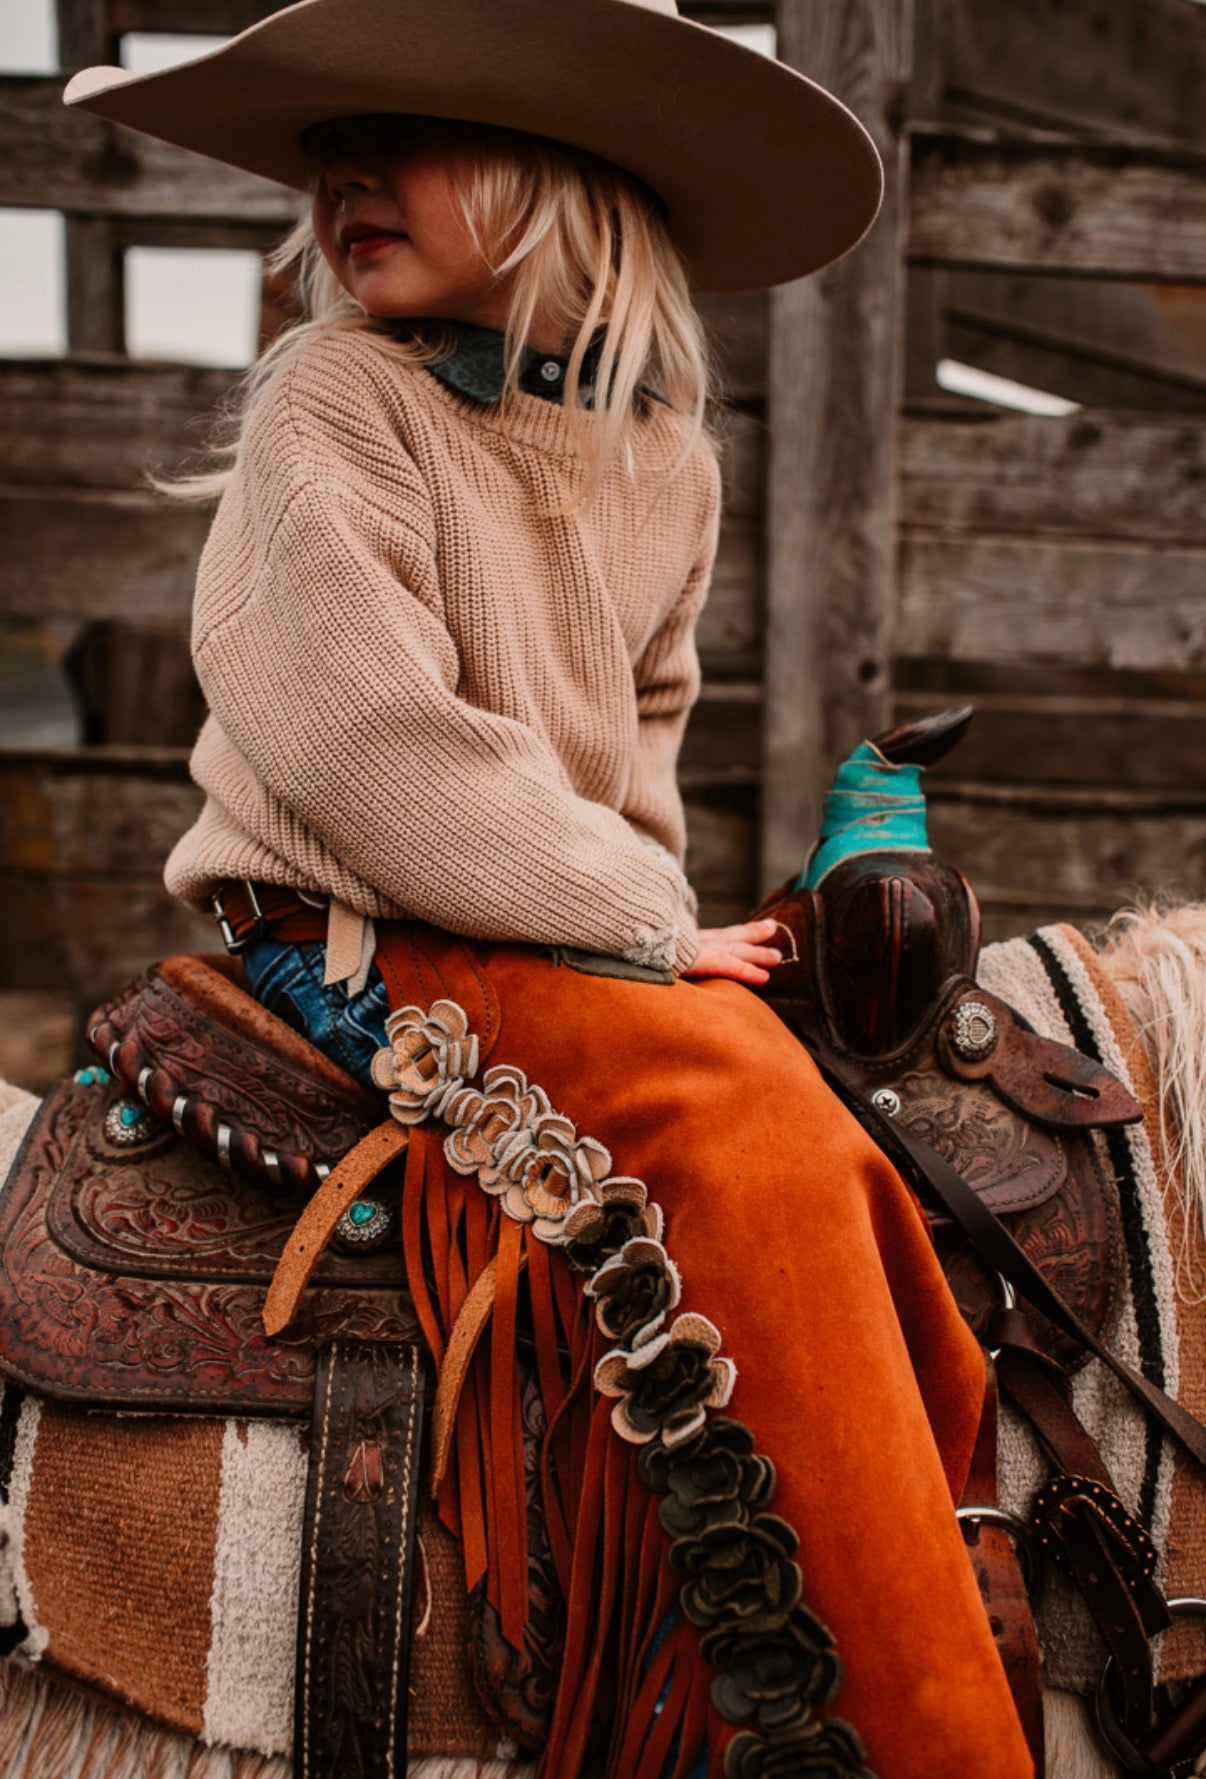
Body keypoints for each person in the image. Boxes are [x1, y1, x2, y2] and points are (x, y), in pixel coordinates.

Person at [65, 7, 1034, 1777]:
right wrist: (646, 930)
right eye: (326, 150)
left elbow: (637, 734)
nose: (346, 172)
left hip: (544, 917)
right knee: (740, 1124)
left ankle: (954, 1560)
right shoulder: (334, 402)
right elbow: (370, 738)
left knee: (864, 1151)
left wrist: (638, 918)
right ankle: (922, 1734)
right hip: (357, 932)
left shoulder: (659, 448)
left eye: (406, 133)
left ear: (565, 177)